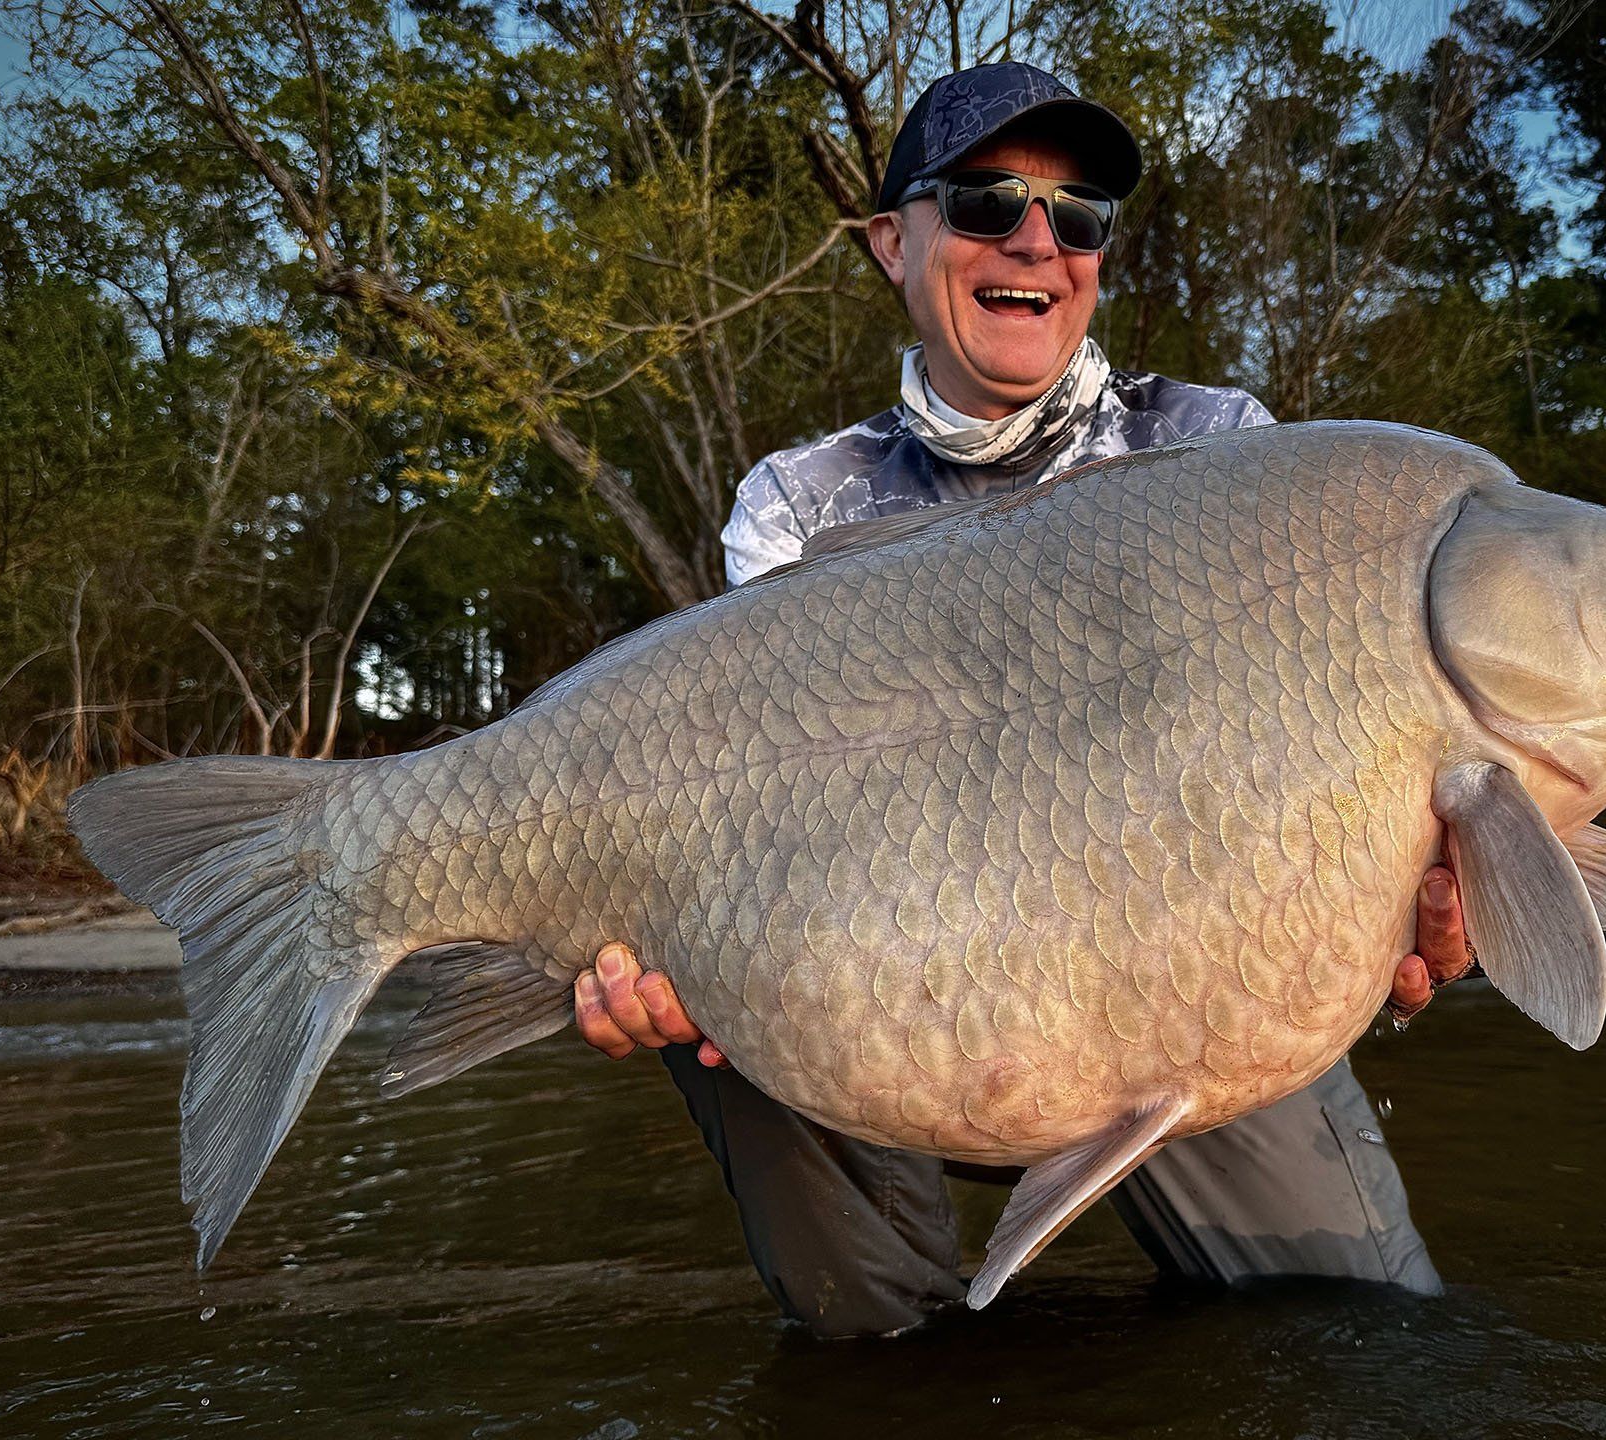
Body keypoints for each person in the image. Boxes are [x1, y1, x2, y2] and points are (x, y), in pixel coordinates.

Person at [571, 62, 1476, 1337]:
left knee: (1368, 1340)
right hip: (891, 1003)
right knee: (713, 982)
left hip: (1187, 994)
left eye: (1080, 216)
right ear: (896, 242)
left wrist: (1412, 907)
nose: (1038, 243)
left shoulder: (1233, 453)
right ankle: (894, 1361)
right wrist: (664, 951)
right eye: (988, 204)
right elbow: (769, 827)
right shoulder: (797, 504)